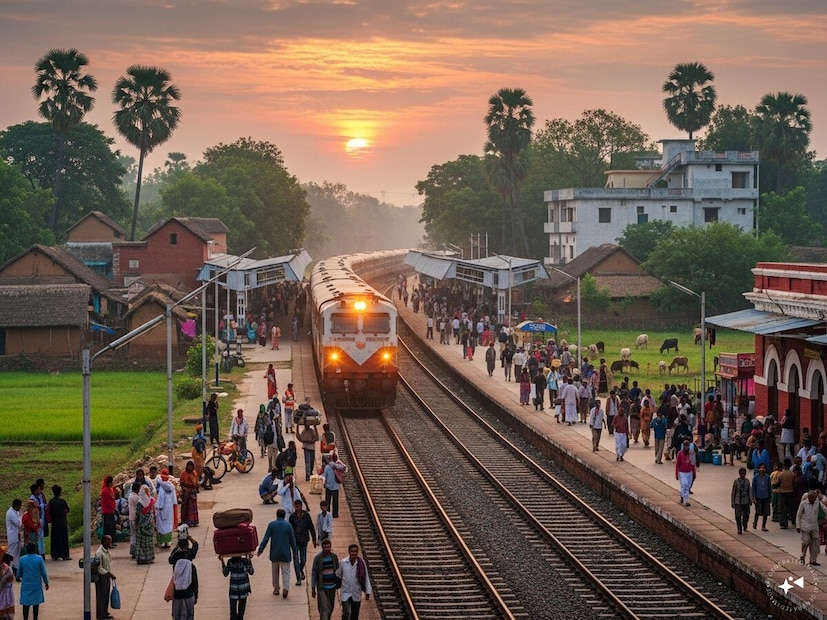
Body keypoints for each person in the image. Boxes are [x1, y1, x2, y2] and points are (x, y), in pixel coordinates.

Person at [257, 508, 299, 598]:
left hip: (275, 553)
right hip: (285, 553)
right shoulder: (288, 526)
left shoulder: (271, 525)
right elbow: (292, 540)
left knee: (275, 572)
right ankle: (285, 588)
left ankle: (276, 589)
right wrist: (295, 552)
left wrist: (260, 550)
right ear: (284, 516)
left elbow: (266, 538)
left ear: (276, 515)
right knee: (286, 572)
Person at [337, 543, 372, 620]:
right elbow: (338, 574)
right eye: (352, 551)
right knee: (346, 612)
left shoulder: (361, 563)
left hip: (356, 592)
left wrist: (367, 591)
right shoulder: (343, 563)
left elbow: (366, 577)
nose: (354, 553)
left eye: (355, 551)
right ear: (349, 552)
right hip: (345, 592)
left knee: (355, 615)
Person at [289, 499, 317, 585]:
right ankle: (298, 578)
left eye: (299, 506)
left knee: (304, 560)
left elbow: (311, 527)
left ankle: (300, 570)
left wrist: (314, 539)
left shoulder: (306, 516)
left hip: (304, 541)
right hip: (295, 542)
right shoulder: (292, 517)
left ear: (301, 506)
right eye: (296, 507)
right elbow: (290, 530)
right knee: (296, 560)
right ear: (294, 507)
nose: (298, 508)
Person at [310, 539, 339, 620]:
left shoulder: (334, 557)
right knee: (324, 608)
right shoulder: (318, 558)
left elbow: (338, 570)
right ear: (322, 547)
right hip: (322, 587)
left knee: (330, 608)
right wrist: (313, 587)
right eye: (325, 547)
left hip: (332, 587)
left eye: (328, 547)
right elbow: (314, 573)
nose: (327, 549)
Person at [18, 543, 48, 620]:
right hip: (36, 585)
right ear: (35, 549)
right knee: (36, 604)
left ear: (26, 549)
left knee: (25, 604)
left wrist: (21, 577)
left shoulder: (22, 559)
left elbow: (19, 573)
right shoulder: (39, 558)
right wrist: (46, 582)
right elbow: (43, 572)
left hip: (26, 585)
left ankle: (25, 618)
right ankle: (35, 618)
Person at [796, 490, 827, 566]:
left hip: (814, 526)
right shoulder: (803, 504)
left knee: (815, 544)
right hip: (805, 526)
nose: (813, 499)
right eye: (811, 498)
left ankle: (813, 560)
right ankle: (802, 555)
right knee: (806, 542)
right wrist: (798, 526)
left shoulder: (817, 502)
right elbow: (799, 515)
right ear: (808, 498)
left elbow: (825, 509)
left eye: (814, 498)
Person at [221, 555, 254, 620]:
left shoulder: (245, 561)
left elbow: (251, 571)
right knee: (233, 614)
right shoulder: (230, 562)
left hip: (242, 592)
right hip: (235, 591)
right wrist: (222, 561)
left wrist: (249, 560)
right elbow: (225, 573)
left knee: (240, 614)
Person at [94, 534, 115, 620]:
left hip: (106, 576)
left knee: (106, 595)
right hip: (101, 577)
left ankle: (104, 612)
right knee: (101, 596)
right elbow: (99, 568)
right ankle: (100, 615)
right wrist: (109, 574)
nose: (110, 543)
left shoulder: (106, 551)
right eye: (108, 542)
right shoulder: (99, 553)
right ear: (103, 542)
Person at [47, 485, 70, 561]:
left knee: (55, 539)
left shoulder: (51, 501)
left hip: (55, 522)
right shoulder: (62, 501)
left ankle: (55, 554)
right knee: (63, 538)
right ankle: (64, 555)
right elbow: (67, 509)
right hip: (62, 522)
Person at [156, 469, 178, 548]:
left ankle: (162, 542)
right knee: (168, 525)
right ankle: (168, 541)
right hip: (169, 509)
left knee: (161, 525)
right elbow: (174, 499)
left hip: (161, 508)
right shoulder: (171, 486)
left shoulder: (160, 484)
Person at [134, 486, 155, 565]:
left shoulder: (140, 503)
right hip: (149, 524)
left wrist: (136, 524)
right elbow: (152, 512)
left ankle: (141, 558)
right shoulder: (151, 501)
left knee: (141, 543)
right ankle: (149, 557)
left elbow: (138, 514)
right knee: (148, 542)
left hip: (141, 525)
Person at [323, 453, 347, 519]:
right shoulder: (338, 466)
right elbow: (344, 467)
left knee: (327, 500)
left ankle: (327, 512)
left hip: (328, 486)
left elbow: (324, 476)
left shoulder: (327, 467)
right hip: (335, 486)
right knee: (335, 501)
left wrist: (324, 483)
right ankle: (335, 514)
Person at [675, 439, 697, 506]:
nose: (686, 447)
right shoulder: (680, 454)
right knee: (684, 485)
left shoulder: (691, 453)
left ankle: (682, 495)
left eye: (688, 446)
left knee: (687, 486)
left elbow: (693, 464)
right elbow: (677, 464)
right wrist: (676, 473)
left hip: (689, 472)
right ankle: (686, 500)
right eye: (685, 446)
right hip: (682, 472)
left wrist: (694, 472)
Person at [752, 463, 772, 531]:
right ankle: (755, 523)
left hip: (766, 496)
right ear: (758, 469)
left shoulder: (767, 477)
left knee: (765, 513)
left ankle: (764, 526)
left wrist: (770, 497)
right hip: (758, 497)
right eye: (761, 468)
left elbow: (770, 487)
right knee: (758, 511)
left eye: (763, 468)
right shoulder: (755, 477)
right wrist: (753, 497)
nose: (762, 469)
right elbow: (753, 488)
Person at [731, 467, 751, 535]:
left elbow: (749, 491)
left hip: (746, 500)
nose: (742, 475)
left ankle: (744, 524)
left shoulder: (747, 481)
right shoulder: (736, 482)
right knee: (738, 515)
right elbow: (733, 492)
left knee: (746, 515)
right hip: (738, 501)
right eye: (741, 474)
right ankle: (739, 528)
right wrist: (732, 501)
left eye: (744, 474)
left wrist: (750, 500)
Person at [179, 461, 200, 527]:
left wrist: (195, 489)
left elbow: (196, 483)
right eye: (188, 466)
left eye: (191, 466)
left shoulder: (194, 473)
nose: (189, 467)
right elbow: (181, 482)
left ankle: (193, 521)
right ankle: (184, 521)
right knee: (185, 507)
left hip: (192, 493)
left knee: (192, 507)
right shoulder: (183, 474)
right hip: (185, 493)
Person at [5, 499, 22, 578]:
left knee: (17, 553)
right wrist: (21, 517)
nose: (20, 508)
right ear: (17, 505)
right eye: (19, 506)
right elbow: (18, 523)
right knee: (12, 553)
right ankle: (10, 568)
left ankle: (16, 568)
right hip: (12, 536)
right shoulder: (10, 513)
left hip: (16, 535)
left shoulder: (16, 512)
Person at [100, 477, 117, 545]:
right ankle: (107, 542)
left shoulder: (110, 489)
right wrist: (113, 507)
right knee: (108, 528)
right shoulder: (105, 491)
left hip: (111, 511)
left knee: (112, 527)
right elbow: (107, 502)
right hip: (107, 511)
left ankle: (112, 541)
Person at [0, 553, 14, 620]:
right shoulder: (8, 568)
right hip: (6, 590)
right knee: (6, 605)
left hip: (5, 590)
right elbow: (3, 580)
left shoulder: (2, 567)